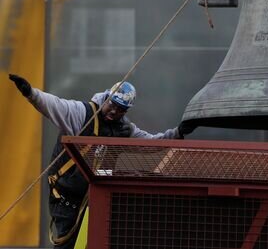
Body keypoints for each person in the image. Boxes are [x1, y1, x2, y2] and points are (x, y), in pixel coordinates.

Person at [8, 73, 194, 249]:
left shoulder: (124, 129)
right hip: (65, 197)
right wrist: (31, 93)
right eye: (112, 105)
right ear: (106, 97)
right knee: (67, 244)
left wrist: (178, 133)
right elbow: (55, 105)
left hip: (94, 199)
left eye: (121, 110)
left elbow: (152, 144)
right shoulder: (83, 114)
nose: (114, 112)